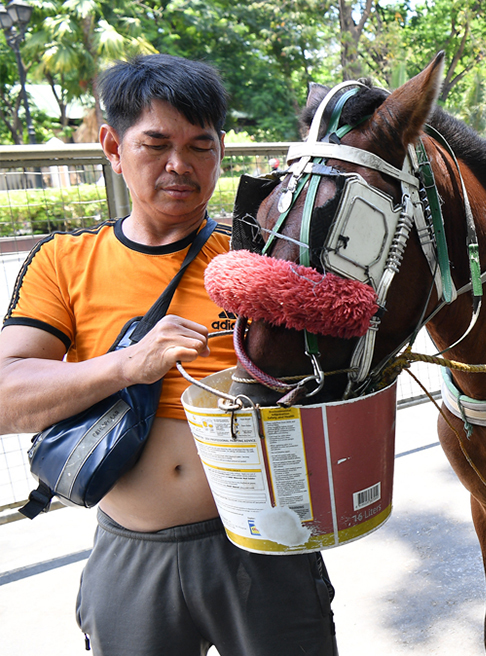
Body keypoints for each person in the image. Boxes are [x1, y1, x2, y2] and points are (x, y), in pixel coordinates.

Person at [0, 54, 337, 655]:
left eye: (201, 146)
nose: (180, 165)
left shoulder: (260, 259)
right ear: (112, 145)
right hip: (133, 553)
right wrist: (128, 365)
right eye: (156, 144)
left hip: (264, 545)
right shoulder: (63, 261)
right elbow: (6, 398)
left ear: (221, 152)